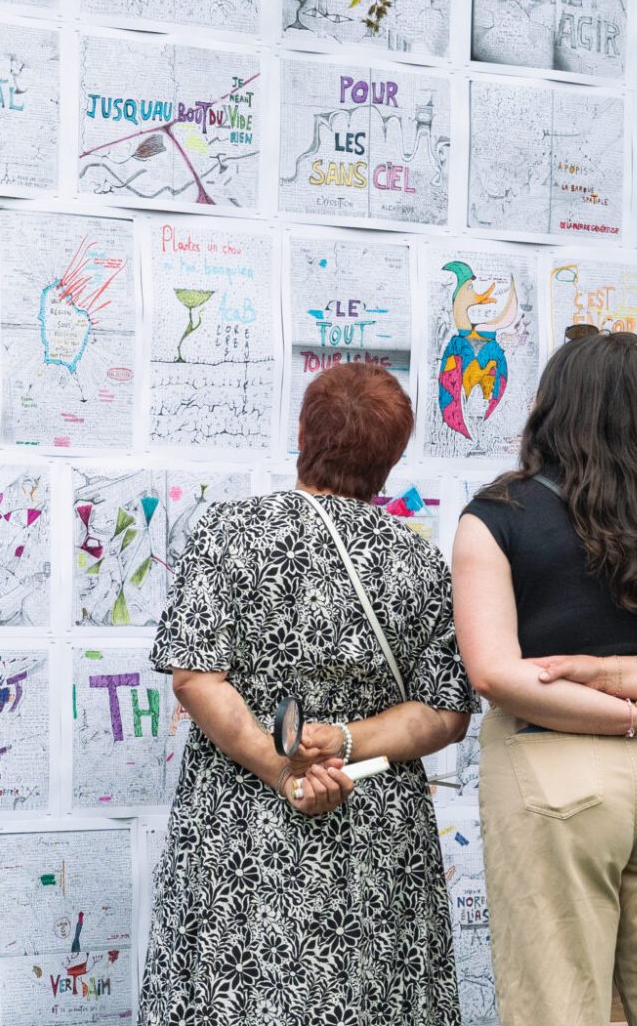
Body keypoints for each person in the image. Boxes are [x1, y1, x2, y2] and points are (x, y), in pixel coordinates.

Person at [140, 362, 476, 1026]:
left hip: (238, 835)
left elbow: (195, 678)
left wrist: (282, 769)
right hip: (374, 832)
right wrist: (346, 743)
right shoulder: (418, 564)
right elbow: (446, 712)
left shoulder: (226, 532)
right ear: (391, 457)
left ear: (304, 431)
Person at [450, 329, 637, 1025]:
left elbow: (495, 674)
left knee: (558, 1004)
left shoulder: (495, 518)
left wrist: (608, 701)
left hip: (553, 769)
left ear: (549, 408)